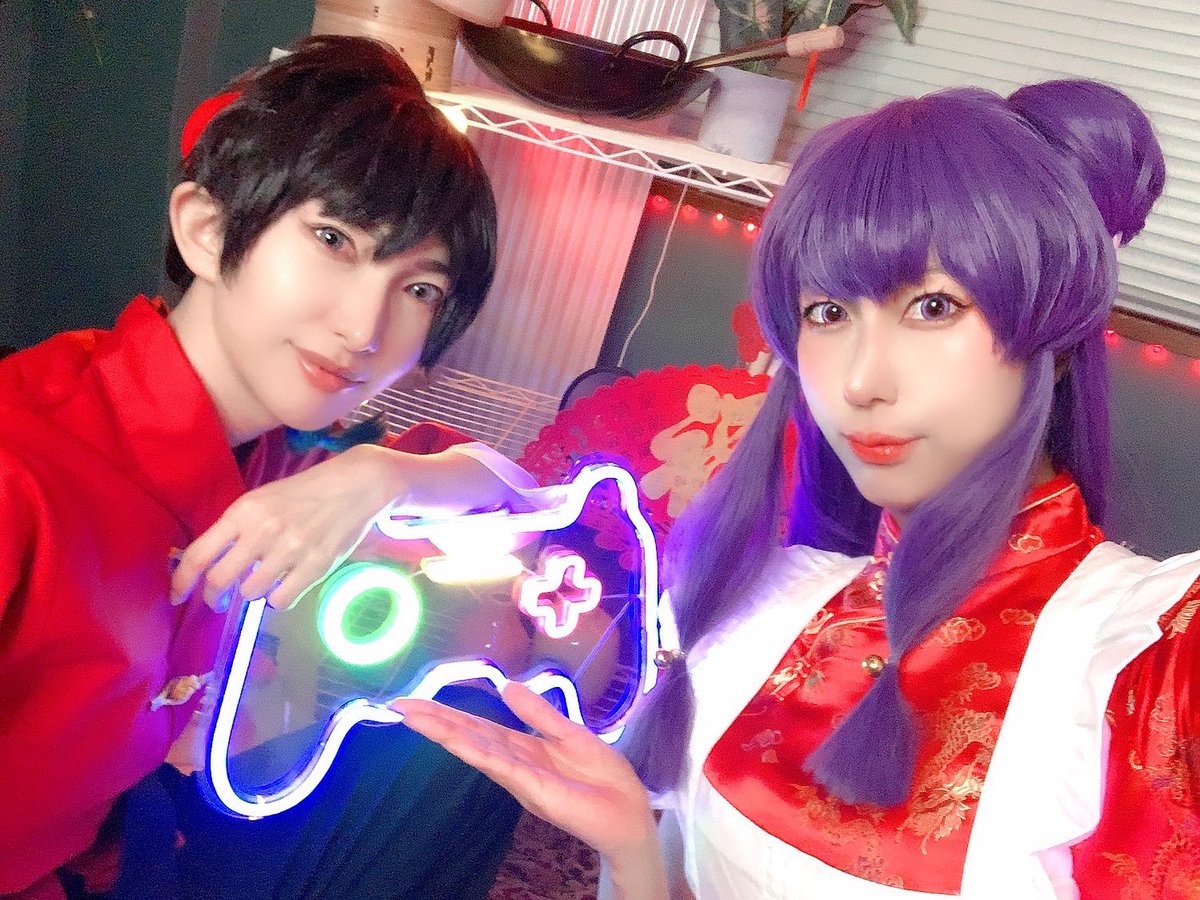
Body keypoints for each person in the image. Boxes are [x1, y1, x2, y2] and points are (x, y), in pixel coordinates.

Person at [394, 80, 1200, 898]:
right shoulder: (765, 604)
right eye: (827, 313)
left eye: (933, 306)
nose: (860, 381)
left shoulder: (1147, 655)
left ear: (1053, 340)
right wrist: (632, 849)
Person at [0, 35, 534, 900]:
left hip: (126, 839)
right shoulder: (23, 467)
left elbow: (513, 490)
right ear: (207, 230)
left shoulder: (290, 453)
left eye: (419, 288)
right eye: (334, 238)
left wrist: (385, 477)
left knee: (476, 740)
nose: (364, 328)